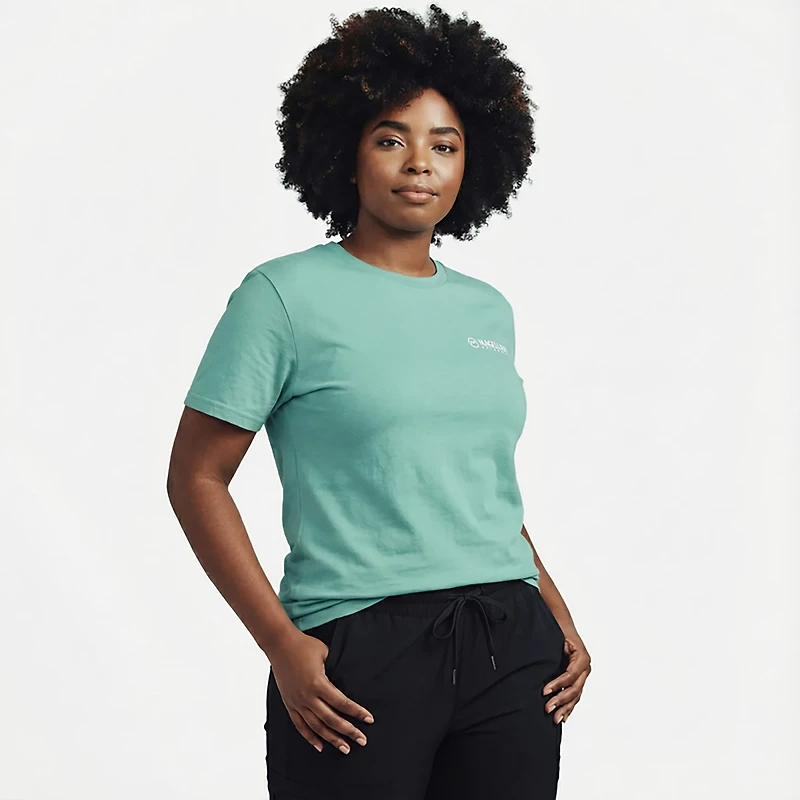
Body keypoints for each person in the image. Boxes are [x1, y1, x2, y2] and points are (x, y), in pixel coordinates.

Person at [166, 5, 592, 798]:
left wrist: (557, 614)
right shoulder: (282, 296)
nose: (419, 163)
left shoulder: (487, 310)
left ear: (474, 162)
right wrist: (281, 643)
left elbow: (474, 485)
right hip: (357, 650)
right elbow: (196, 477)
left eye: (445, 145)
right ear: (346, 152)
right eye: (392, 139)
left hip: (512, 642)